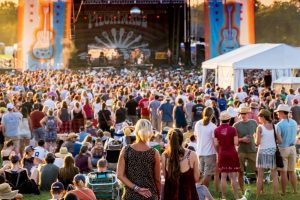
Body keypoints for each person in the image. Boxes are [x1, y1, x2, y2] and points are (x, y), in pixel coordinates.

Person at [117, 119, 161, 199]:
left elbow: (120, 175)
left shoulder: (126, 150)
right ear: (150, 133)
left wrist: (136, 188)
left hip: (131, 195)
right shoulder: (155, 153)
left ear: (136, 131)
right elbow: (157, 179)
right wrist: (158, 195)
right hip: (149, 195)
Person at [162, 128, 199, 200]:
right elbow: (196, 178)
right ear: (182, 140)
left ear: (169, 140)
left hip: (170, 196)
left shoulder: (164, 156)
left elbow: (165, 176)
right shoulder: (192, 155)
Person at [213, 111, 241, 200]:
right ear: (229, 120)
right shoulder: (233, 129)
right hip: (232, 153)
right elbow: (236, 143)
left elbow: (216, 144)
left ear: (221, 120)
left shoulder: (216, 130)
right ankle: (236, 196)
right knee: (233, 176)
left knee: (223, 176)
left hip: (222, 153)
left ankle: (223, 196)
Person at [255, 109, 281, 197]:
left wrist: (255, 136)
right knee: (274, 175)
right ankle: (275, 195)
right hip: (273, 151)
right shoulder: (275, 126)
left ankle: (258, 195)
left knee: (260, 176)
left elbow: (257, 143)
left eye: (259, 117)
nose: (258, 119)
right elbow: (280, 141)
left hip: (262, 152)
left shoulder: (260, 127)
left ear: (263, 117)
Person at [233, 107, 258, 193]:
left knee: (257, 171)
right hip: (241, 151)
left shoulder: (254, 123)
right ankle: (242, 190)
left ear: (249, 114)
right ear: (239, 114)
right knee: (240, 172)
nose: (243, 115)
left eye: (245, 113)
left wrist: (255, 140)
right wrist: (242, 139)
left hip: (252, 150)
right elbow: (233, 140)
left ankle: (260, 190)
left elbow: (258, 135)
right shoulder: (236, 125)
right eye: (242, 114)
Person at [275, 104, 298, 195]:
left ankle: (284, 192)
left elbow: (279, 140)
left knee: (283, 172)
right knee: (292, 171)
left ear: (281, 113)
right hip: (293, 147)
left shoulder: (279, 125)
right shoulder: (294, 122)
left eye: (278, 112)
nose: (277, 113)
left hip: (283, 148)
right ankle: (295, 190)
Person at [194, 107, 218, 190]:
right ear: (212, 115)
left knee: (201, 174)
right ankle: (204, 192)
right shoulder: (213, 126)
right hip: (210, 153)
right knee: (207, 174)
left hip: (199, 152)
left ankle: (199, 191)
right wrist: (218, 152)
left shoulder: (197, 124)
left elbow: (196, 136)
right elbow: (215, 142)